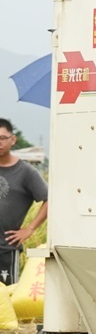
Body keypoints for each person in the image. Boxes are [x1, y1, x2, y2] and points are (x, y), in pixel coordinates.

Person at [0, 119, 48, 285]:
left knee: (6, 298)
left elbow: (49, 200)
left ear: (13, 140)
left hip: (6, 248)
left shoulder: (26, 172)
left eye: (2, 138)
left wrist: (29, 229)